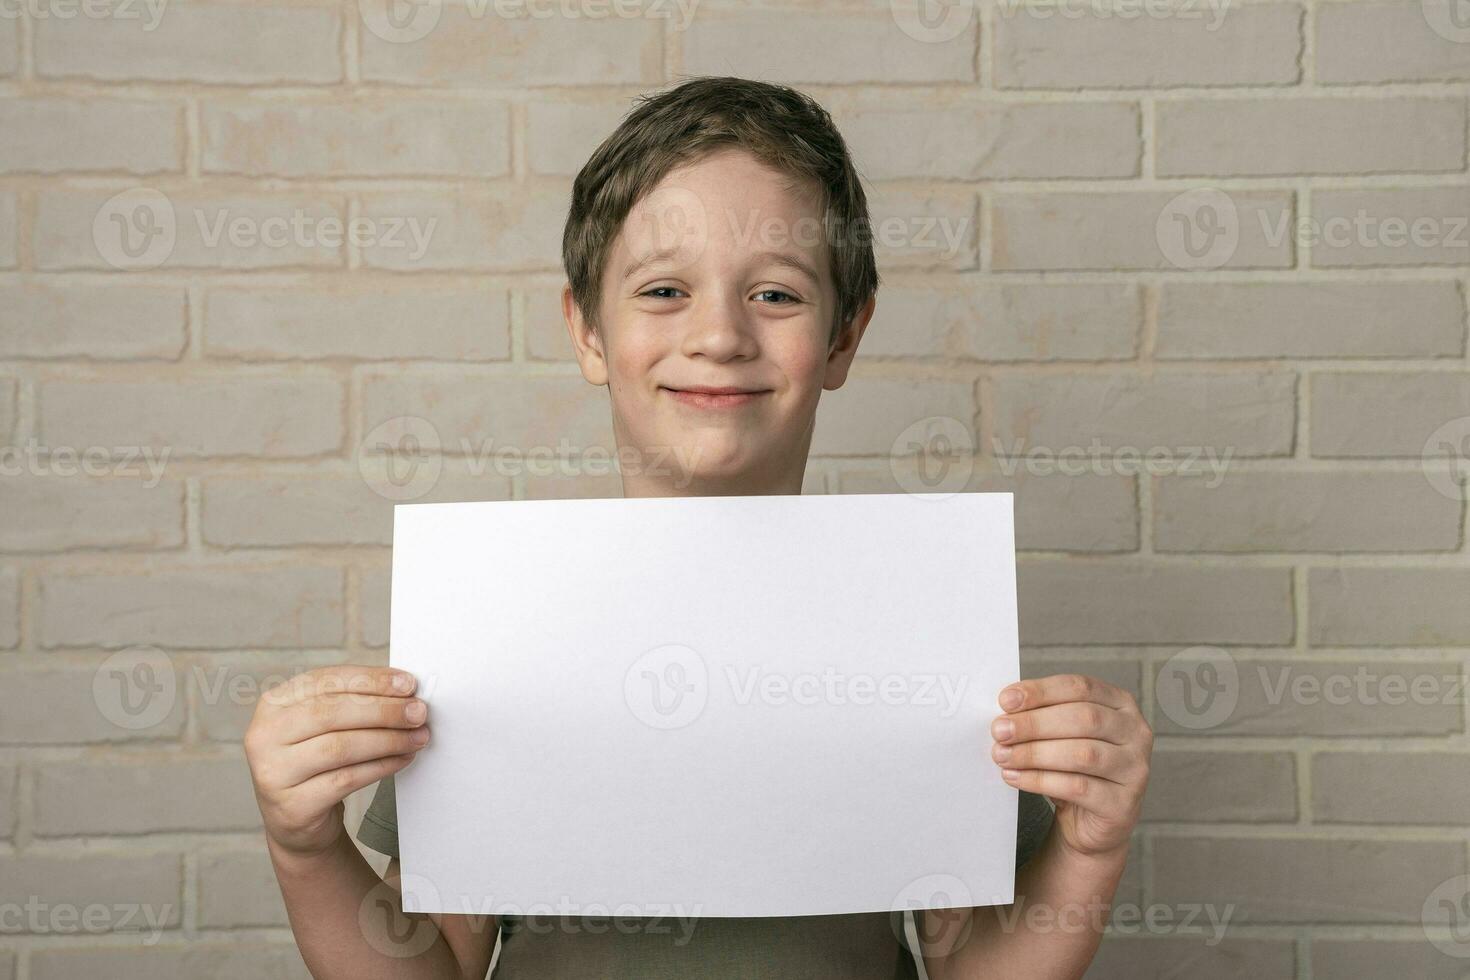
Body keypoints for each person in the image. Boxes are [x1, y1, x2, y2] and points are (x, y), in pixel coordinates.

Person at [245, 75, 1153, 980]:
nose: (719, 335)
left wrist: (1090, 849)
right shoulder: (505, 625)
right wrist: (306, 848)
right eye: (665, 290)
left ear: (844, 338)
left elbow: (969, 965)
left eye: (777, 296)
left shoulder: (916, 626)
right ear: (588, 332)